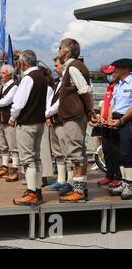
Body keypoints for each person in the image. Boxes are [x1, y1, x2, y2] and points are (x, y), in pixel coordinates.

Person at [57, 38, 97, 203]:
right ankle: (81, 188)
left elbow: (85, 90)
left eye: (60, 48)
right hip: (74, 115)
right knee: (78, 152)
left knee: (75, 153)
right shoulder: (74, 67)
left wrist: (89, 110)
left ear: (66, 51)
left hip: (74, 116)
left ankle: (79, 191)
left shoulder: (73, 67)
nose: (58, 51)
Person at [10, 50, 47, 206]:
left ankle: (32, 193)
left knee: (28, 160)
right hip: (39, 122)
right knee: (36, 158)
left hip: (27, 123)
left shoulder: (28, 78)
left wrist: (13, 116)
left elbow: (18, 103)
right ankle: (36, 190)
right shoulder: (42, 77)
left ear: (23, 63)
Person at [45, 57, 74, 193]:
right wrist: (49, 115)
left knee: (67, 152)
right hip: (54, 121)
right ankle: (61, 180)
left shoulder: (68, 82)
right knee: (58, 153)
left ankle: (70, 182)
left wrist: (47, 113)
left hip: (63, 121)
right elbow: (52, 101)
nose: (55, 68)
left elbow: (59, 103)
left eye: (56, 66)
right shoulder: (58, 82)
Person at [0, 64, 19, 181]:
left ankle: (15, 168)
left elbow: (7, 101)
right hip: (0, 120)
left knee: (13, 146)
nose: (0, 75)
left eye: (3, 73)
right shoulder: (1, 87)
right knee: (3, 146)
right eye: (1, 73)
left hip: (9, 120)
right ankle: (5, 166)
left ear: (9, 74)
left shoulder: (14, 86)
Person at [109, 58, 132, 200]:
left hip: (127, 120)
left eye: (117, 67)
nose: (115, 70)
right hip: (117, 120)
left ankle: (130, 184)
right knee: (120, 153)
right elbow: (113, 103)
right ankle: (124, 182)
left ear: (125, 69)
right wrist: (111, 118)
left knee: (127, 152)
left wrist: (122, 120)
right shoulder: (117, 85)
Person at [97, 65, 122, 188]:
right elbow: (106, 104)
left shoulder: (120, 87)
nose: (109, 76)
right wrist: (102, 117)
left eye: (111, 73)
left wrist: (111, 119)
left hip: (115, 123)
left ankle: (118, 177)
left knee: (116, 150)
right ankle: (109, 175)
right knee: (107, 150)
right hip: (106, 124)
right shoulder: (110, 87)